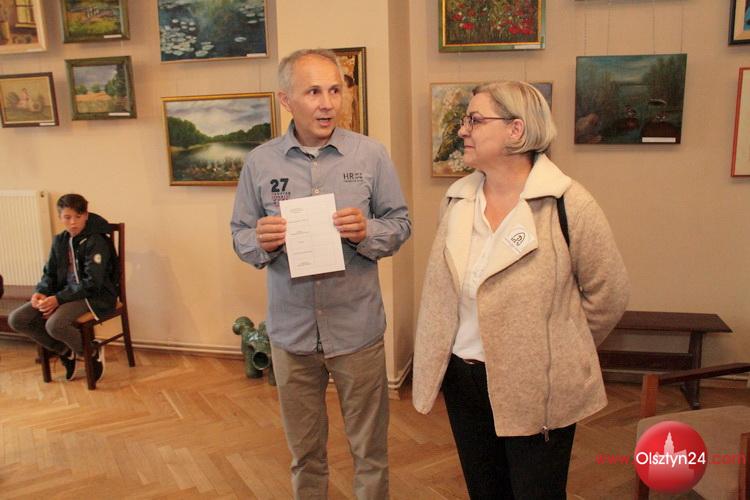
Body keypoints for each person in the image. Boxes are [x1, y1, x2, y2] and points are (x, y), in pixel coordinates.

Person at [412, 81, 629, 499]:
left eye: (475, 120)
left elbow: (610, 294)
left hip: (537, 386)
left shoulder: (568, 203)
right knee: (485, 490)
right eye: (465, 120)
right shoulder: (456, 201)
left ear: (516, 130)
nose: (462, 129)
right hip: (464, 380)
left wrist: (557, 347)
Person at [230, 48, 411, 499]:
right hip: (291, 335)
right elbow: (240, 235)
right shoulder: (260, 163)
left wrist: (367, 231)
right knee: (305, 455)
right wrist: (261, 240)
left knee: (370, 452)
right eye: (313, 92)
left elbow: (400, 224)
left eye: (335, 90)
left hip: (357, 331)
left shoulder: (371, 155)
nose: (328, 103)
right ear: (286, 100)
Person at [8, 194, 115, 383]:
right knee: (17, 319)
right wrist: (41, 292)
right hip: (65, 294)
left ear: (86, 215)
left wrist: (58, 299)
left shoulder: (97, 240)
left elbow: (93, 283)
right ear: (60, 217)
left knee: (55, 324)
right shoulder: (60, 240)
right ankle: (65, 351)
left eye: (78, 217)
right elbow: (49, 273)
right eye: (67, 217)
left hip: (93, 295)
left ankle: (90, 351)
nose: (73, 222)